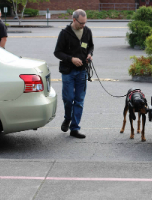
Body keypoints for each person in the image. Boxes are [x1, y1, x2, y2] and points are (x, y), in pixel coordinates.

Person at [54, 9, 94, 139]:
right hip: (68, 72)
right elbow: (57, 52)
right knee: (68, 99)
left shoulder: (87, 31)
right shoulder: (65, 33)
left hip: (82, 71)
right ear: (74, 20)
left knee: (79, 101)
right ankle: (67, 118)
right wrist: (71, 59)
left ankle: (75, 128)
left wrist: (89, 55)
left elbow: (90, 46)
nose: (83, 25)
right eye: (81, 23)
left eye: (85, 23)